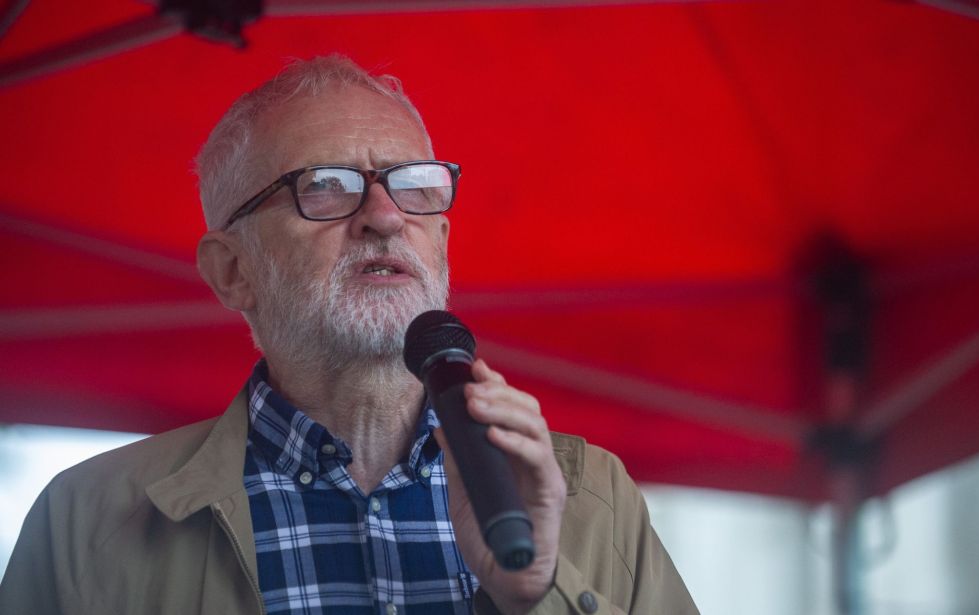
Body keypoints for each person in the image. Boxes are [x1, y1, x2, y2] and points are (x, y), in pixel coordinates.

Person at [0, 55, 699, 615]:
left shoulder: (593, 498)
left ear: (442, 243)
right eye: (327, 186)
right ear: (233, 271)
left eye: (415, 185)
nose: (386, 216)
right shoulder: (89, 519)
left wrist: (537, 590)